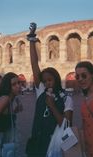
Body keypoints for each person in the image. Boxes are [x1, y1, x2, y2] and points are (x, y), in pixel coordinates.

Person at [26, 22, 74, 157]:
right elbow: (34, 64)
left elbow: (67, 125)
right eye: (45, 81)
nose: (47, 83)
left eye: (50, 80)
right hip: (37, 143)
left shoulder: (66, 98)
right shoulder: (41, 90)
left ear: (56, 80)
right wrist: (31, 39)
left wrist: (52, 106)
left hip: (54, 144)